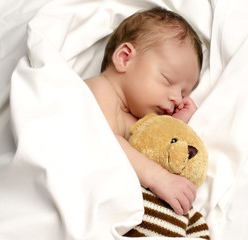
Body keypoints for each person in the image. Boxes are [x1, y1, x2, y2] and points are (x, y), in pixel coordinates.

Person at [84, 6, 203, 215]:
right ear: (124, 58)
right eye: (168, 80)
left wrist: (173, 126)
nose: (177, 98)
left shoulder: (133, 119)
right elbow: (106, 142)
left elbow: (146, 149)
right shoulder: (99, 89)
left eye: (184, 93)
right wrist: (158, 178)